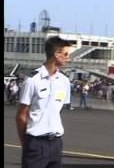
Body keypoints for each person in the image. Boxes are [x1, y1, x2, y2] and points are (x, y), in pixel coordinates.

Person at [16, 36, 71, 168]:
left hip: (56, 143)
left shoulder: (64, 81)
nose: (69, 58)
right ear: (57, 54)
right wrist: (27, 143)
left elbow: (58, 110)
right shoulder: (32, 80)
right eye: (66, 54)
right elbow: (21, 115)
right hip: (36, 142)